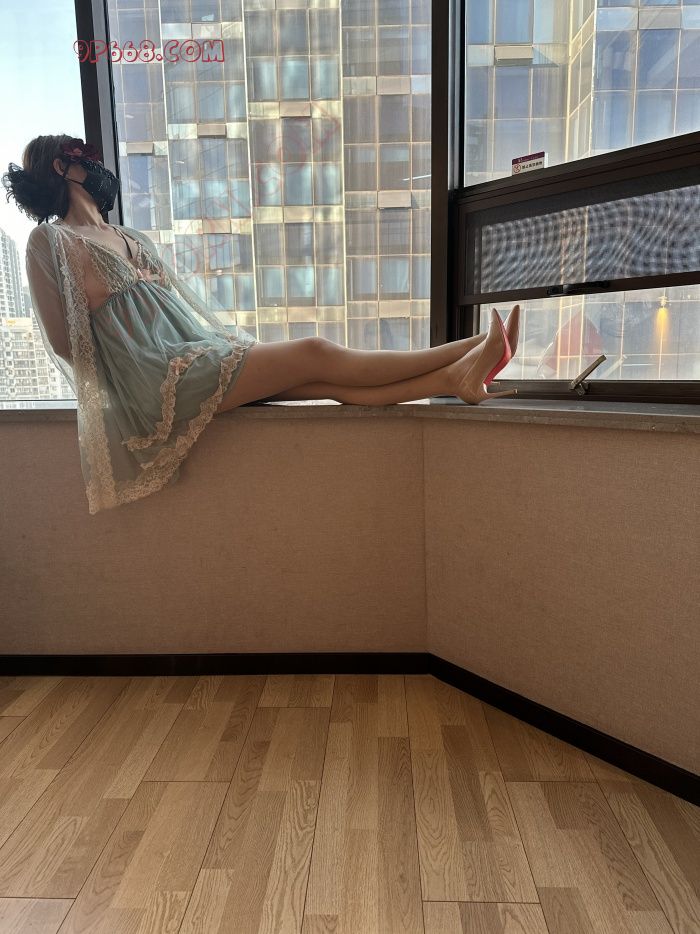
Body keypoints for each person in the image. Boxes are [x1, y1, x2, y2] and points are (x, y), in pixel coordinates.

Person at [2, 133, 520, 515]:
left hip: (193, 355)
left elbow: (181, 308)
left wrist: (208, 348)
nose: (96, 167)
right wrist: (137, 373)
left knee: (324, 381)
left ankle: (453, 378)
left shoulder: (131, 236)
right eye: (85, 159)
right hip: (159, 379)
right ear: (62, 167)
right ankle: (469, 347)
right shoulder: (51, 241)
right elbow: (64, 343)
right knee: (315, 352)